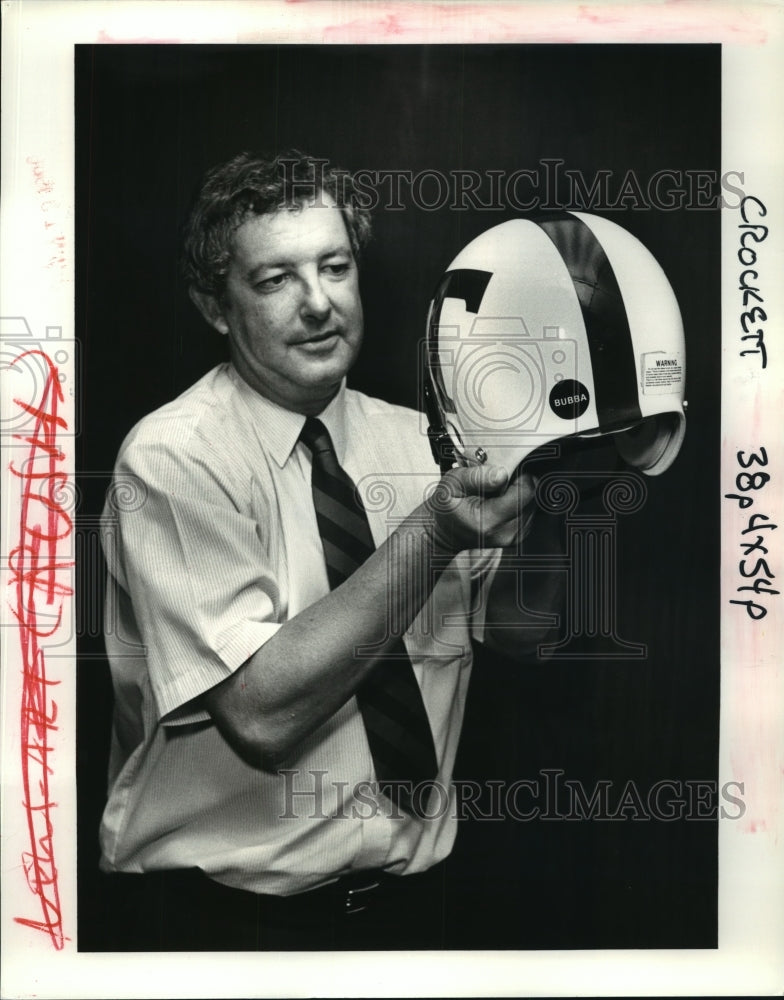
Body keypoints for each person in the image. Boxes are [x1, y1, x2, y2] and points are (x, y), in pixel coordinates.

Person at [96, 151, 556, 951]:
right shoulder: (173, 459)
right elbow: (261, 715)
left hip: (417, 912)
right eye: (275, 280)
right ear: (215, 305)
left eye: (335, 267)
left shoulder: (421, 440)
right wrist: (437, 532)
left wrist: (556, 471)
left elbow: (523, 633)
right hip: (224, 928)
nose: (319, 304)